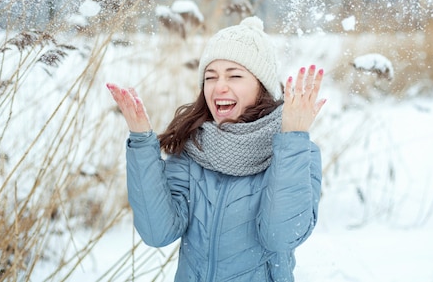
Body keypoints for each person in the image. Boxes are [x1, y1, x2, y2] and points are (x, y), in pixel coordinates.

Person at [107, 16, 326, 281]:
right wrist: (141, 140)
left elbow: (282, 235)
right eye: (210, 77)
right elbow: (158, 232)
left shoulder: (296, 152)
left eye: (234, 75)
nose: (219, 86)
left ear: (261, 86)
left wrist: (292, 139)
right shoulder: (192, 149)